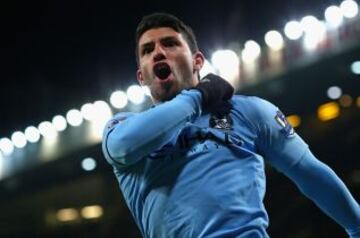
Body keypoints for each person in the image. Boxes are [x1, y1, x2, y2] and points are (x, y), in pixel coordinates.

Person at [102, 12, 360, 238]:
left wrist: (357, 227)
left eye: (170, 44)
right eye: (148, 50)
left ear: (197, 61)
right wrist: (198, 96)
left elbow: (311, 174)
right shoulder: (124, 127)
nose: (158, 52)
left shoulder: (249, 111)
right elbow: (123, 147)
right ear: (141, 77)